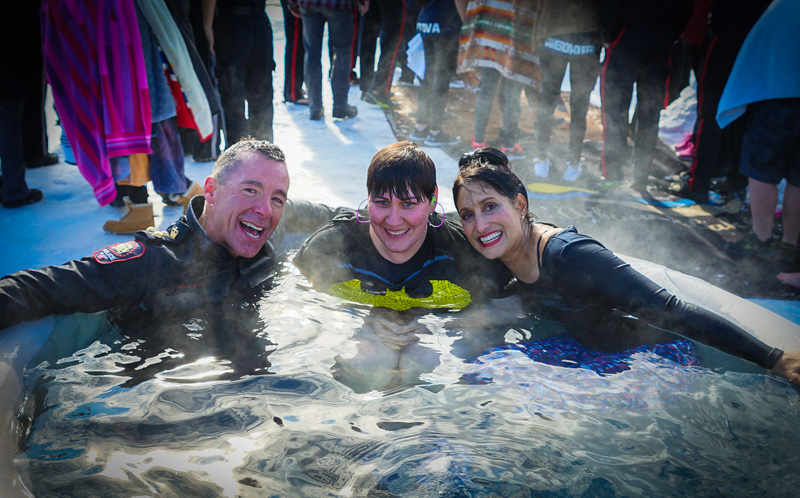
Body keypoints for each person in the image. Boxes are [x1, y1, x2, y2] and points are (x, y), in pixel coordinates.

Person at [452, 147, 800, 387]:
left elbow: (670, 309)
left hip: (650, 359)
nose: (480, 225)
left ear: (520, 204)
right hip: (588, 356)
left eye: (490, 207)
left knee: (524, 392)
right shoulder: (499, 259)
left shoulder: (570, 255)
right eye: (468, 214)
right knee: (483, 371)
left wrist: (774, 359)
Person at [0, 139, 338, 331]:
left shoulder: (267, 237)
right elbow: (42, 288)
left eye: (276, 198)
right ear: (211, 190)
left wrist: (373, 218)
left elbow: (318, 214)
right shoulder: (156, 261)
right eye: (251, 190)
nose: (266, 209)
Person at [294, 141, 517, 392]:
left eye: (408, 204)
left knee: (424, 358)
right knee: (366, 359)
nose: (393, 219)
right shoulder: (331, 248)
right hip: (359, 358)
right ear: (368, 198)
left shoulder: (462, 252)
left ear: (432, 201)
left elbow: (521, 303)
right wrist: (355, 324)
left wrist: (440, 326)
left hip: (435, 356)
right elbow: (297, 305)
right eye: (381, 202)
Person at [715, 0, 800, 272]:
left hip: (778, 98)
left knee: (761, 169)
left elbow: (756, 50)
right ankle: (790, 243)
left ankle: (761, 237)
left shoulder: (786, 5)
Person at [600, 1, 693, 189]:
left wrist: (607, 33)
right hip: (662, 37)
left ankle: (614, 174)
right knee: (649, 115)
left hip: (630, 33)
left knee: (615, 111)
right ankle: (640, 177)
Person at [456, 0, 537, 160]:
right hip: (514, 36)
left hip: (488, 35)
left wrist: (470, 23)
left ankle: (477, 143)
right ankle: (509, 146)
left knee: (486, 90)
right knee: (512, 95)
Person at [531, 0, 601, 182]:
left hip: (553, 37)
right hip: (586, 42)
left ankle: (541, 161)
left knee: (547, 102)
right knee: (579, 107)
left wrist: (537, 38)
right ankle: (574, 165)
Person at [202, 0, 276, 144]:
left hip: (240, 23)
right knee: (252, 96)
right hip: (249, 21)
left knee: (239, 97)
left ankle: (249, 158)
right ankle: (254, 157)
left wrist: (207, 26)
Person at [287, 0, 362, 120]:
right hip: (339, 5)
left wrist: (293, 3)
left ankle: (315, 108)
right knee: (342, 52)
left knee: (312, 54)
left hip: (309, 3)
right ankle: (340, 106)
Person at [407, 0, 462, 147]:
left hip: (426, 21)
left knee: (429, 77)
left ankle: (420, 127)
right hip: (445, 23)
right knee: (441, 80)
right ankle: (435, 133)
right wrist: (465, 22)